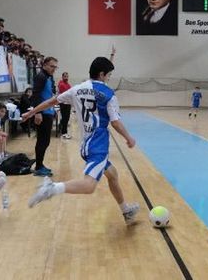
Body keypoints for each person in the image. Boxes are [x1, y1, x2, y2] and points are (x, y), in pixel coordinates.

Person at [22, 57, 140, 225]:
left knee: (113, 175)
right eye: (109, 74)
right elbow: (115, 122)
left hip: (85, 144)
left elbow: (51, 101)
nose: (109, 78)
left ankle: (125, 211)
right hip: (98, 144)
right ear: (101, 74)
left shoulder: (77, 88)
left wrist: (32, 112)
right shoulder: (108, 94)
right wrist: (129, 138)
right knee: (89, 186)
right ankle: (52, 188)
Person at [30, 56, 58, 176]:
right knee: (42, 140)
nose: (54, 69)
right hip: (43, 113)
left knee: (45, 141)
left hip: (49, 112)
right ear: (45, 65)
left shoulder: (49, 77)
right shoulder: (40, 77)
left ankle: (40, 164)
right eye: (52, 66)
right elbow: (35, 95)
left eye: (55, 67)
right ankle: (38, 167)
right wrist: (38, 113)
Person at [58, 72, 72, 139]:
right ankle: (64, 133)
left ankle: (61, 129)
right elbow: (65, 95)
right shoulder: (61, 84)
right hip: (63, 104)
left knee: (66, 118)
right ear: (62, 77)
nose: (66, 77)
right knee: (65, 118)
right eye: (65, 76)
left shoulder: (68, 84)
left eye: (67, 76)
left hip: (68, 103)